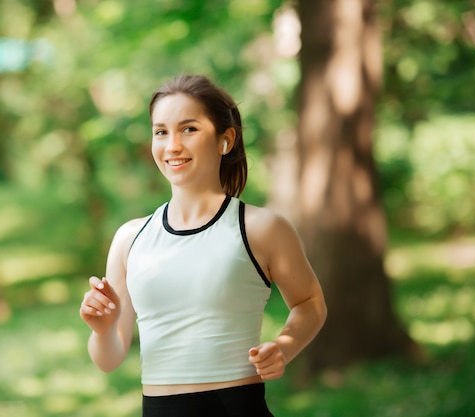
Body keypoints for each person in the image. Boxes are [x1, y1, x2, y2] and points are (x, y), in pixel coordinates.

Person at [79, 74, 327, 417]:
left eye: (189, 129)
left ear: (225, 140)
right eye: (161, 131)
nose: (172, 145)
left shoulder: (261, 228)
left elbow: (310, 302)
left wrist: (284, 346)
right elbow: (109, 359)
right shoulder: (130, 239)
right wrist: (103, 330)